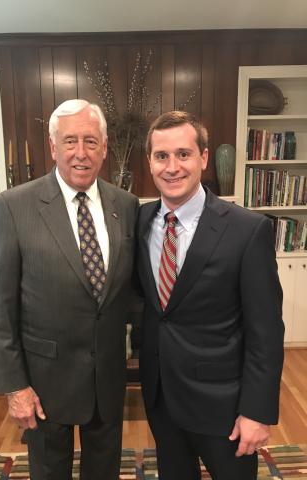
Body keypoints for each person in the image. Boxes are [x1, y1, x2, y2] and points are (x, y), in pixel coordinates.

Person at [0, 99, 139, 480]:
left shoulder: (128, 205)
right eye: (70, 142)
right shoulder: (14, 207)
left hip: (107, 375)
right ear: (53, 147)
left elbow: (132, 292)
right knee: (50, 472)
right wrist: (14, 386)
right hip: (43, 380)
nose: (81, 153)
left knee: (104, 469)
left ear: (104, 148)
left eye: (90, 141)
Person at [136, 111, 284, 480]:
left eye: (183, 154)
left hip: (225, 408)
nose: (172, 167)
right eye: (161, 156)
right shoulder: (140, 222)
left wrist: (258, 411)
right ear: (150, 163)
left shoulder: (248, 231)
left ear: (203, 158)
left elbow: (266, 331)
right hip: (162, 398)